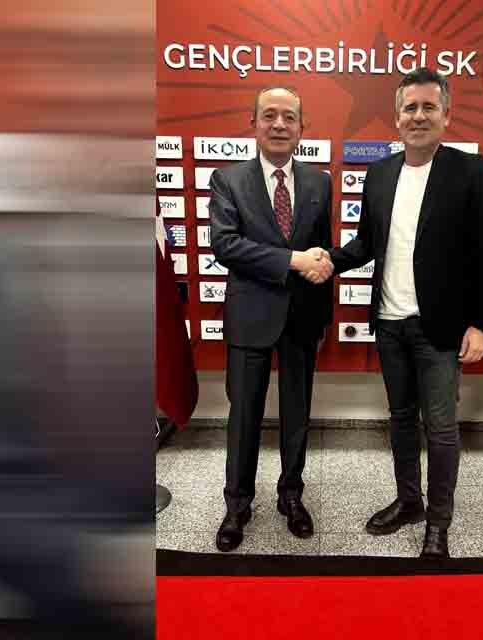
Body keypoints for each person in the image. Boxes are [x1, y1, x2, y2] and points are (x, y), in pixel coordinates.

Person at [325, 68, 483, 558]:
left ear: (446, 115)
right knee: (401, 418)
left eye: (428, 107)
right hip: (389, 323)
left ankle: (438, 524)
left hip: (439, 327)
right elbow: (365, 243)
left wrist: (481, 323)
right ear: (397, 116)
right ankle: (409, 502)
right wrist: (328, 261)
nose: (418, 116)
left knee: (441, 429)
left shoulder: (471, 172)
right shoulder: (380, 174)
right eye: (410, 108)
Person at [207, 86, 334, 552]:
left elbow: (322, 250)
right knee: (244, 415)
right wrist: (292, 260)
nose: (279, 124)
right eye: (270, 116)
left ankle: (291, 497)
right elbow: (226, 245)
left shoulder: (320, 182)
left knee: (297, 414)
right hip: (250, 315)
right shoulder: (228, 180)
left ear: (302, 127)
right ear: (254, 123)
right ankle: (237, 505)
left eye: (289, 117)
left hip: (303, 317)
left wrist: (324, 311)